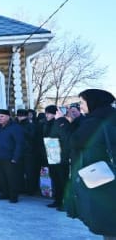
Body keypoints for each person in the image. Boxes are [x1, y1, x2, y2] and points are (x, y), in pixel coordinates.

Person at [67, 89, 116, 239]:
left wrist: (64, 122)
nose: (80, 106)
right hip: (110, 170)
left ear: (93, 101)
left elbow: (74, 142)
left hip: (102, 175)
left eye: (82, 102)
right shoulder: (110, 115)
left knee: (108, 219)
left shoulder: (95, 120)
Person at [0, 109, 24, 203]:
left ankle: (13, 196)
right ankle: (4, 193)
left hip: (10, 157)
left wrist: (15, 157)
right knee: (1, 177)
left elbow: (19, 143)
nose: (0, 118)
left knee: (12, 178)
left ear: (8, 117)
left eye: (2, 116)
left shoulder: (15, 127)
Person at [16, 109, 37, 195]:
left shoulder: (30, 125)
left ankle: (30, 189)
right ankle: (21, 188)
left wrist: (22, 130)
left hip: (28, 151)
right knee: (19, 171)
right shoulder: (15, 124)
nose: (19, 117)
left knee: (29, 172)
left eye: (21, 116)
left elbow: (32, 136)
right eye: (18, 116)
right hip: (19, 151)